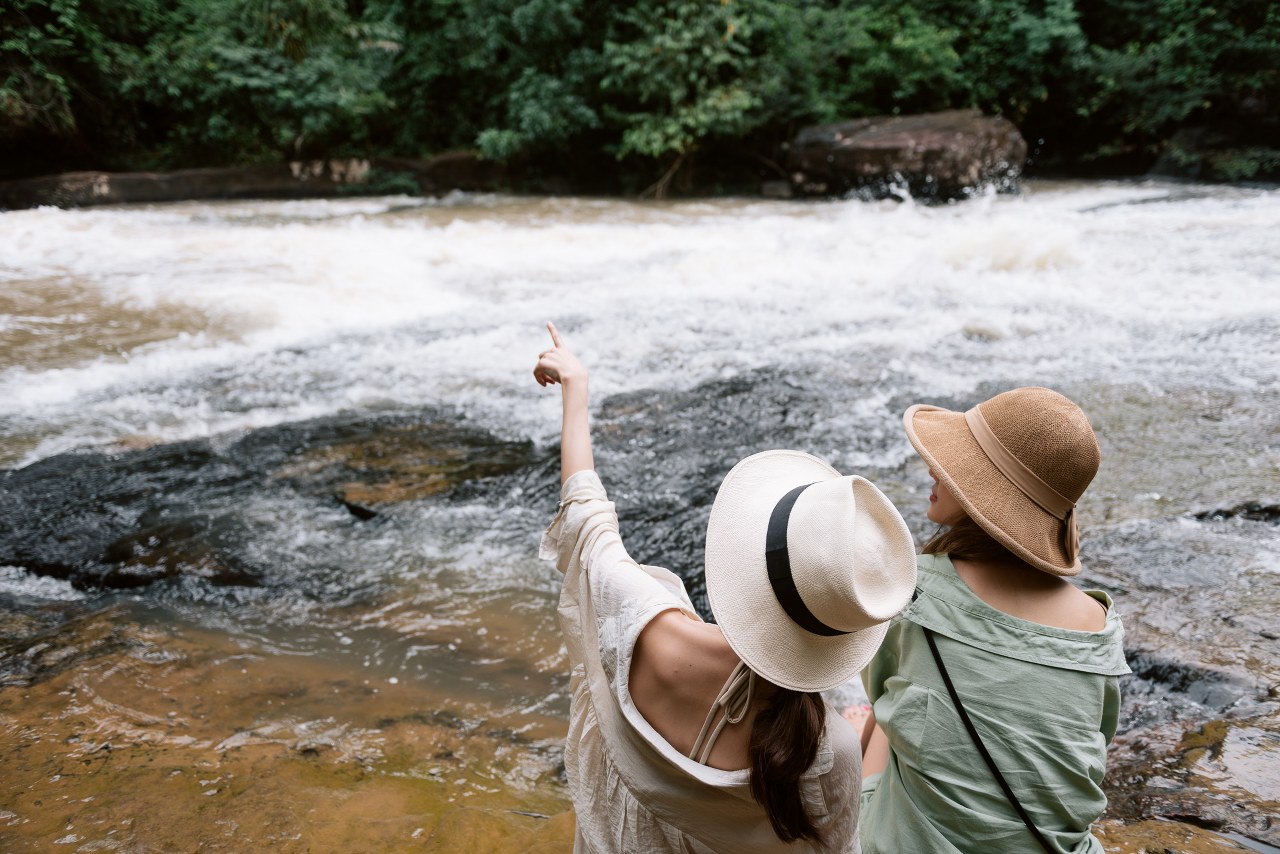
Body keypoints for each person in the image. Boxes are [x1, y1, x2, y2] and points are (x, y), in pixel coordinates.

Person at [533, 322, 918, 853]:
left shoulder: (641, 627)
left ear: (753, 558)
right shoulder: (826, 750)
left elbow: (587, 517)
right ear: (838, 631)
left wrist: (577, 387)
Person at [857, 387, 1130, 853]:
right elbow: (1094, 740)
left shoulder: (913, 587)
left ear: (984, 491)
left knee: (878, 712)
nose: (930, 465)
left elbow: (880, 689)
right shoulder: (1097, 627)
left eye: (956, 461)